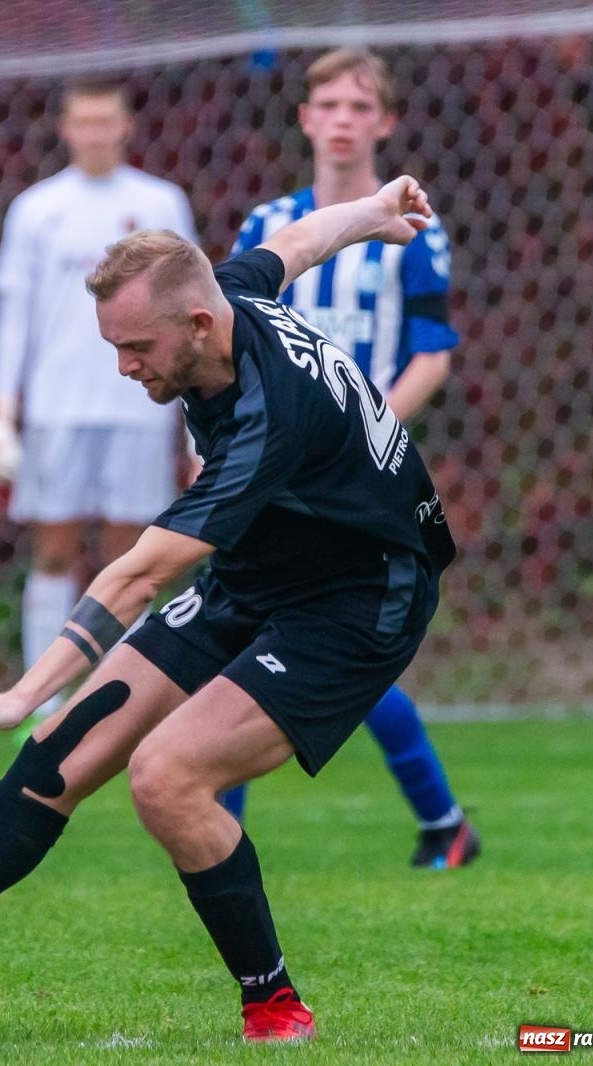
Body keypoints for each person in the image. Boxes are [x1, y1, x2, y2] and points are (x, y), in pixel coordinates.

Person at [0, 177, 454, 1044]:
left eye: (137, 347)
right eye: (113, 345)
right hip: (265, 573)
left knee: (167, 777)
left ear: (198, 325)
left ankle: (275, 1006)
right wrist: (371, 215)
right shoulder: (225, 296)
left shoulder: (271, 417)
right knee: (58, 756)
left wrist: (18, 694)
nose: (124, 367)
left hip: (360, 597)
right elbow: (300, 243)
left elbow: (136, 578)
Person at [220, 48, 478, 870]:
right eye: (328, 104)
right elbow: (226, 345)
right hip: (269, 467)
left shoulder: (411, 232)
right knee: (255, 633)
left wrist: (362, 433)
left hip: (361, 479)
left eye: (360, 107)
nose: (342, 120)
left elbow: (432, 353)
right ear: (304, 119)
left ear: (385, 122)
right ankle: (442, 823)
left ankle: (441, 824)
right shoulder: (267, 225)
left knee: (313, 640)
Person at [0, 80, 196, 717]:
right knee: (54, 550)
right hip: (56, 409)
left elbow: (190, 316)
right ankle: (43, 706)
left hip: (140, 408)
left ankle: (120, 704)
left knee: (133, 558)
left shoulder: (161, 202)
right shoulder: (37, 208)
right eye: (84, 122)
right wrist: (0, 411)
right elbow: (15, 317)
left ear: (126, 126)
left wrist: (192, 430)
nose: (95, 134)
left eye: (106, 121)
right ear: (65, 128)